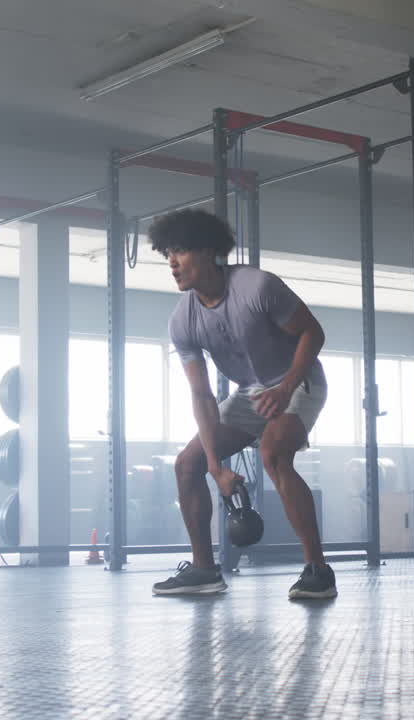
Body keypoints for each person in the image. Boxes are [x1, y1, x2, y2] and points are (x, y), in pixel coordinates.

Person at [148, 209, 336, 599]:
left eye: (180, 251)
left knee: (274, 454)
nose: (172, 262)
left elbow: (312, 333)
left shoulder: (257, 287)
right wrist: (216, 466)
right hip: (249, 392)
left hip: (298, 381)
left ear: (210, 252)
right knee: (189, 462)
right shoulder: (183, 320)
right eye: (167, 252)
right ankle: (204, 569)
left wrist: (285, 389)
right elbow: (201, 396)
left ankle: (318, 570)